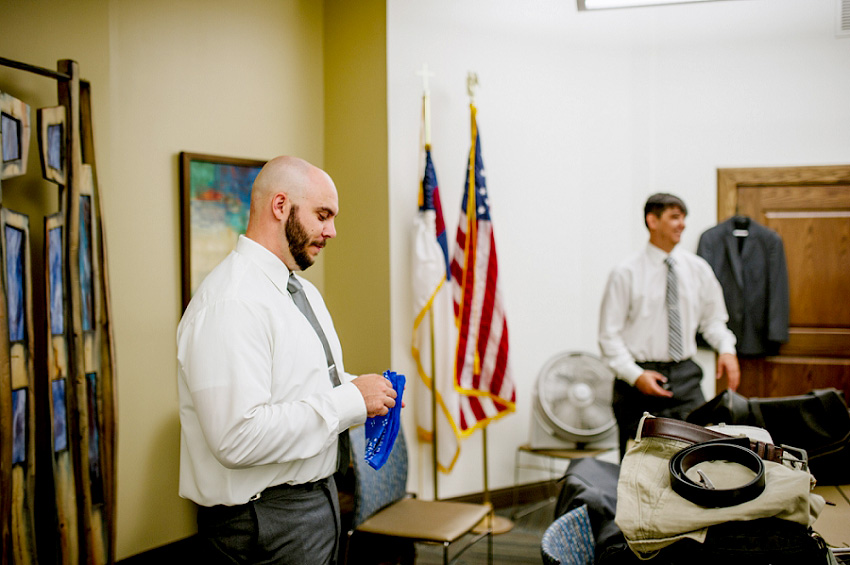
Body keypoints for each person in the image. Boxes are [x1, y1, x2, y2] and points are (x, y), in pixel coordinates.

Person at [177, 156, 398, 564]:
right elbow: (237, 438)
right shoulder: (232, 302)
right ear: (280, 207)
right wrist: (350, 400)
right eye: (323, 215)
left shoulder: (299, 290)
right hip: (265, 521)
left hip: (315, 501)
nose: (332, 230)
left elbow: (301, 385)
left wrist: (365, 391)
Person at [598, 193, 740, 459]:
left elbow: (714, 320)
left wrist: (727, 349)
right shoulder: (625, 273)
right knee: (639, 466)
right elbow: (609, 336)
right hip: (637, 383)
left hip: (686, 378)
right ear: (652, 220)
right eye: (675, 217)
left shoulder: (699, 269)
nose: (682, 224)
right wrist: (635, 375)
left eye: (684, 218)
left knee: (695, 458)